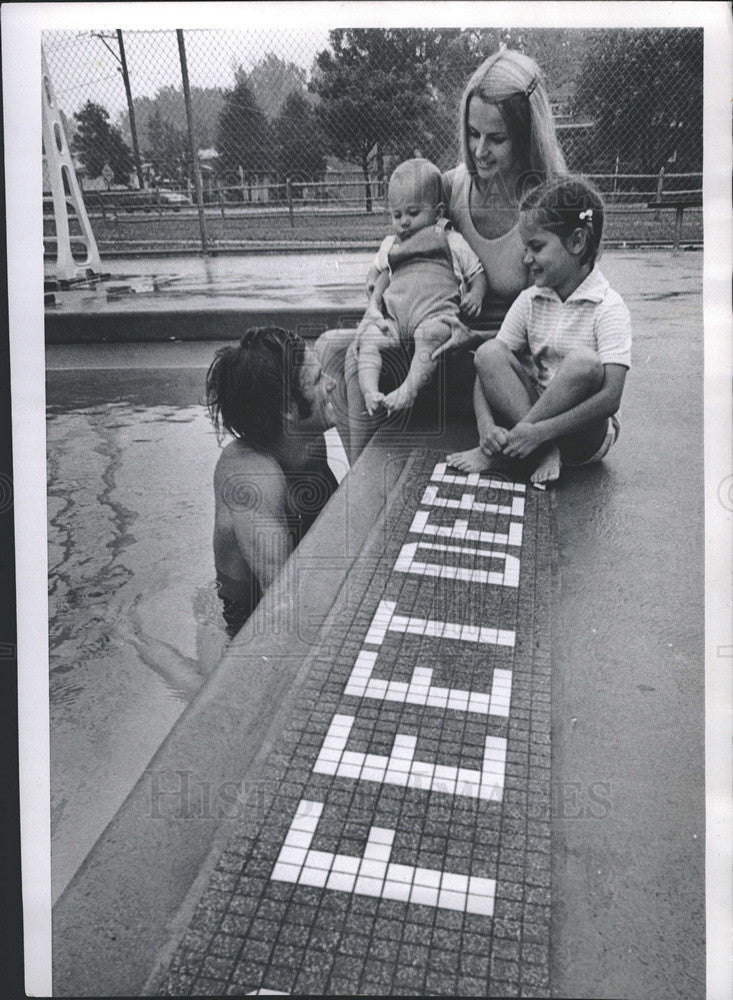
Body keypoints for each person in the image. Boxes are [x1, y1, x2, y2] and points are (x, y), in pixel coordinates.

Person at [317, 48, 566, 463]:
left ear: (526, 136)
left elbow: (555, 332)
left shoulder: (547, 206)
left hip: (499, 372)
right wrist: (375, 309)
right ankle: (363, 488)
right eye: (473, 133)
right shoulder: (449, 188)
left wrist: (474, 339)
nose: (480, 150)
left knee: (383, 354)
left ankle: (369, 482)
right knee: (333, 348)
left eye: (497, 138)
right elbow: (406, 260)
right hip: (436, 351)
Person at [447, 176, 632, 485]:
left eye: (536, 247)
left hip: (583, 436)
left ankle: (525, 449)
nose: (526, 258)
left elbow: (611, 398)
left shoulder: (608, 306)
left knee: (583, 363)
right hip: (532, 420)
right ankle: (542, 450)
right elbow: (485, 369)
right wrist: (486, 427)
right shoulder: (531, 299)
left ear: (576, 241)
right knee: (489, 351)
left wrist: (538, 431)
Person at [206, 327, 338, 637]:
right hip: (247, 625)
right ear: (288, 409)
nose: (332, 384)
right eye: (319, 379)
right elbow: (281, 604)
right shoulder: (251, 479)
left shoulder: (309, 440)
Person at [356, 157, 486, 420]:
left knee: (429, 337)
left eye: (413, 213)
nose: (404, 222)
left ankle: (409, 390)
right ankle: (370, 392)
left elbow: (477, 271)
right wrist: (372, 289)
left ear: (438, 212)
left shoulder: (450, 239)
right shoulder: (391, 244)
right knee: (370, 340)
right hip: (394, 318)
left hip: (434, 315)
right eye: (397, 214)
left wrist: (476, 293)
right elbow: (377, 271)